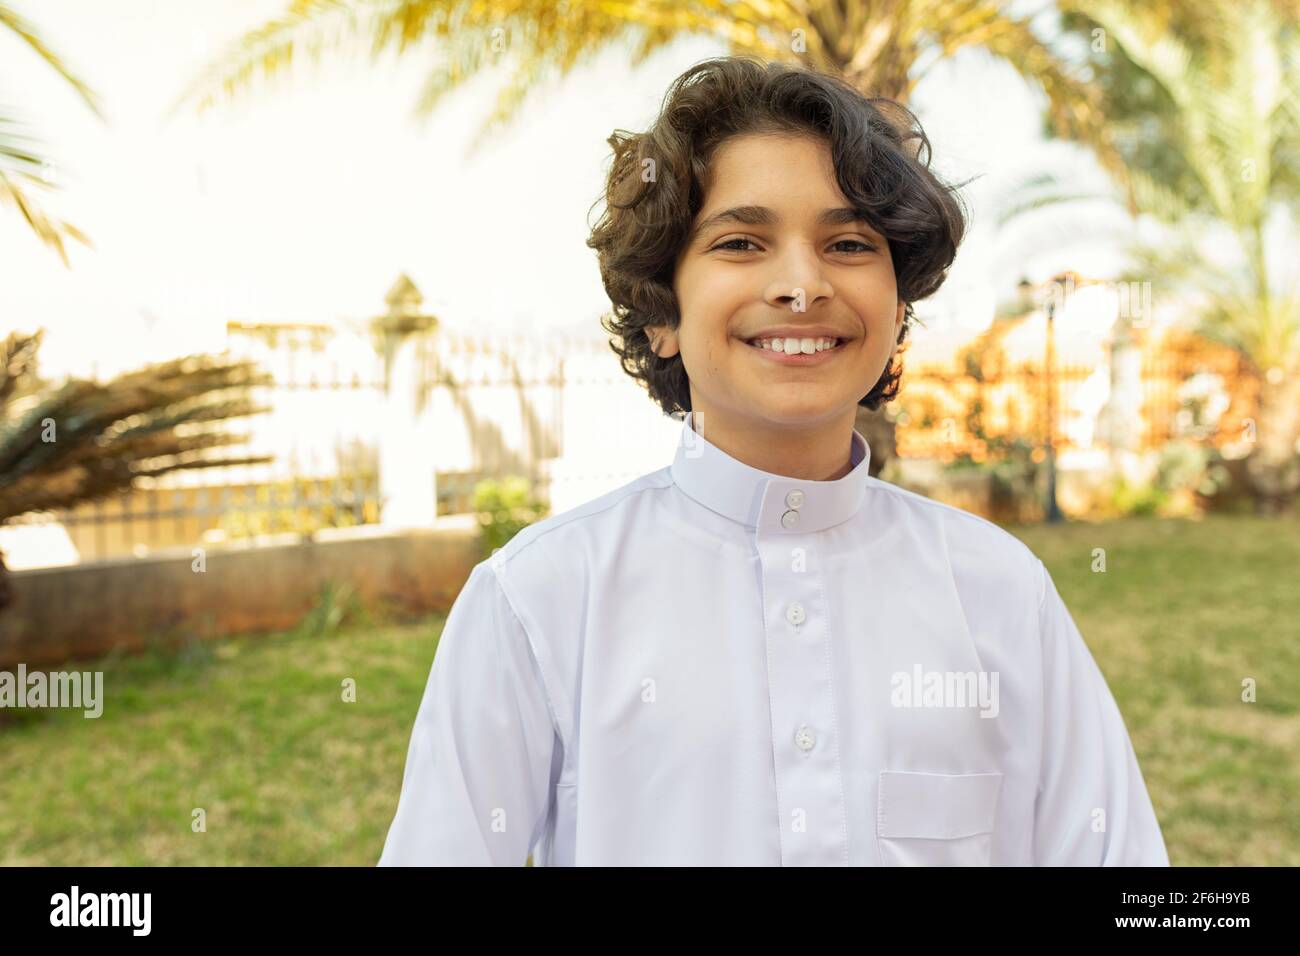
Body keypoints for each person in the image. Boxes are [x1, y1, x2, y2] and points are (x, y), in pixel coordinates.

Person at [377, 56, 1169, 867]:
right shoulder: (540, 598)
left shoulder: (1000, 592)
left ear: (898, 310)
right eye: (742, 241)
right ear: (662, 313)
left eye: (849, 242)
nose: (801, 283)